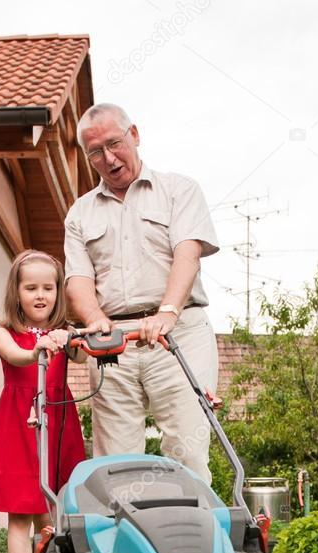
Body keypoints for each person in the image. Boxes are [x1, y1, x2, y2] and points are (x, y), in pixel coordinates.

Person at [64, 102, 220, 483]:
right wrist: (96, 321)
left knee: (188, 450)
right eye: (96, 152)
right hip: (113, 343)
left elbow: (188, 253)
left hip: (179, 331)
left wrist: (167, 312)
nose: (109, 157)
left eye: (115, 143)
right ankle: (124, 540)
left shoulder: (178, 190)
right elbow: (77, 281)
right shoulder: (80, 213)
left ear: (134, 135)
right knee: (115, 466)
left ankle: (191, 539)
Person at [0, 249, 86, 553]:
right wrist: (37, 352)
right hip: (20, 422)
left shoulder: (62, 333)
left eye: (48, 287)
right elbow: (15, 356)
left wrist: (72, 339)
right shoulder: (5, 333)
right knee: (20, 508)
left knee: (56, 503)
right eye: (31, 288)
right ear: (16, 293)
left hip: (60, 419)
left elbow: (80, 354)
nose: (41, 295)